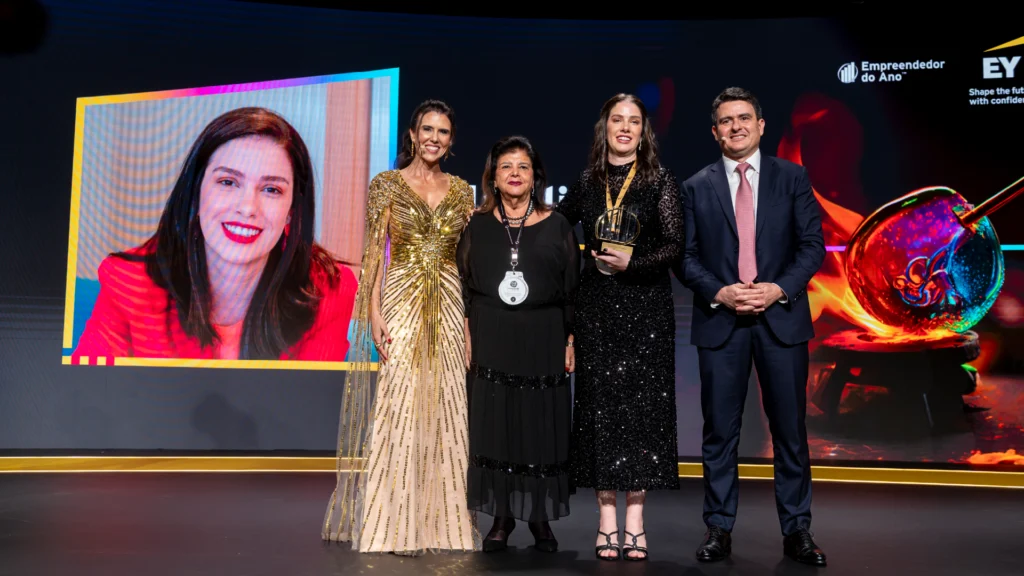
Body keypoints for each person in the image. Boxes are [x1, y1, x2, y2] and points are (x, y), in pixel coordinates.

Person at [72, 106, 357, 362]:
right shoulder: (129, 282)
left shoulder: (329, 291)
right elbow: (88, 399)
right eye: (228, 181)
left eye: (271, 189)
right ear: (196, 193)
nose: (247, 208)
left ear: (291, 212)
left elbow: (309, 410)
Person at [676, 86, 827, 566]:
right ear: (715, 132)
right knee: (720, 432)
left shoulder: (793, 177)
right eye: (726, 120)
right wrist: (719, 292)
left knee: (790, 431)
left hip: (781, 320)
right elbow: (686, 257)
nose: (736, 126)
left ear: (761, 126)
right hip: (722, 323)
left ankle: (797, 531)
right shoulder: (695, 186)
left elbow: (811, 247)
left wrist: (777, 288)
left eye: (744, 118)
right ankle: (718, 529)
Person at [322, 99, 480, 555]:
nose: (434, 137)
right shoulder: (386, 185)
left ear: (450, 142)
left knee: (447, 399)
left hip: (450, 301)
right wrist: (371, 312)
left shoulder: (461, 191)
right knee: (402, 400)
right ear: (412, 134)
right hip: (401, 299)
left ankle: (442, 523)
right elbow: (373, 253)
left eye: (443, 132)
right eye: (427, 129)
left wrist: (468, 325)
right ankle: (395, 524)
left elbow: (467, 263)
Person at [556, 93, 683, 561]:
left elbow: (674, 247)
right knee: (601, 413)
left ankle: (635, 520)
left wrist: (632, 262)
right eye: (617, 119)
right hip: (597, 311)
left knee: (643, 415)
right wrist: (498, 218)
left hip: (646, 309)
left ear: (643, 131)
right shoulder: (588, 181)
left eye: (634, 121)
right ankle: (606, 519)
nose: (625, 128)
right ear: (604, 127)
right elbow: (553, 225)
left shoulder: (660, 180)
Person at [457, 136, 579, 553]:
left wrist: (570, 337)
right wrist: (469, 333)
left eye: (522, 167)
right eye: (506, 166)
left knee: (539, 424)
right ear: (493, 176)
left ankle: (541, 519)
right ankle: (502, 518)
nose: (514, 173)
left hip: (543, 336)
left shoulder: (557, 223)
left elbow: (571, 290)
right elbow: (466, 288)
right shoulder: (476, 225)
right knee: (497, 425)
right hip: (491, 334)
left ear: (535, 176)